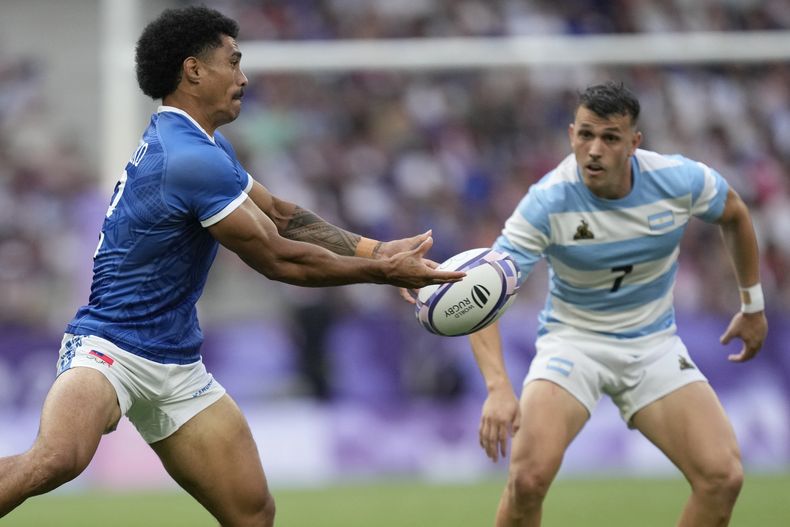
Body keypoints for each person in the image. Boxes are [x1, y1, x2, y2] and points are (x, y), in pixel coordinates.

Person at [0, 6, 464, 526]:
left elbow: (283, 216)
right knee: (60, 457)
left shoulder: (205, 147)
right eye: (234, 61)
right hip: (110, 347)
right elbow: (279, 260)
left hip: (175, 363)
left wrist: (377, 251)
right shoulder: (188, 158)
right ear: (194, 70)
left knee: (252, 514)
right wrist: (385, 275)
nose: (244, 77)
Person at [468, 81, 767, 526]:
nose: (594, 149)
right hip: (573, 345)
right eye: (585, 134)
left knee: (723, 476)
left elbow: (736, 213)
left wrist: (753, 304)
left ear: (634, 143)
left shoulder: (677, 179)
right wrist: (497, 388)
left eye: (609, 137)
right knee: (528, 479)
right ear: (571, 134)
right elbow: (483, 291)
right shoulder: (547, 202)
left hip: (653, 346)